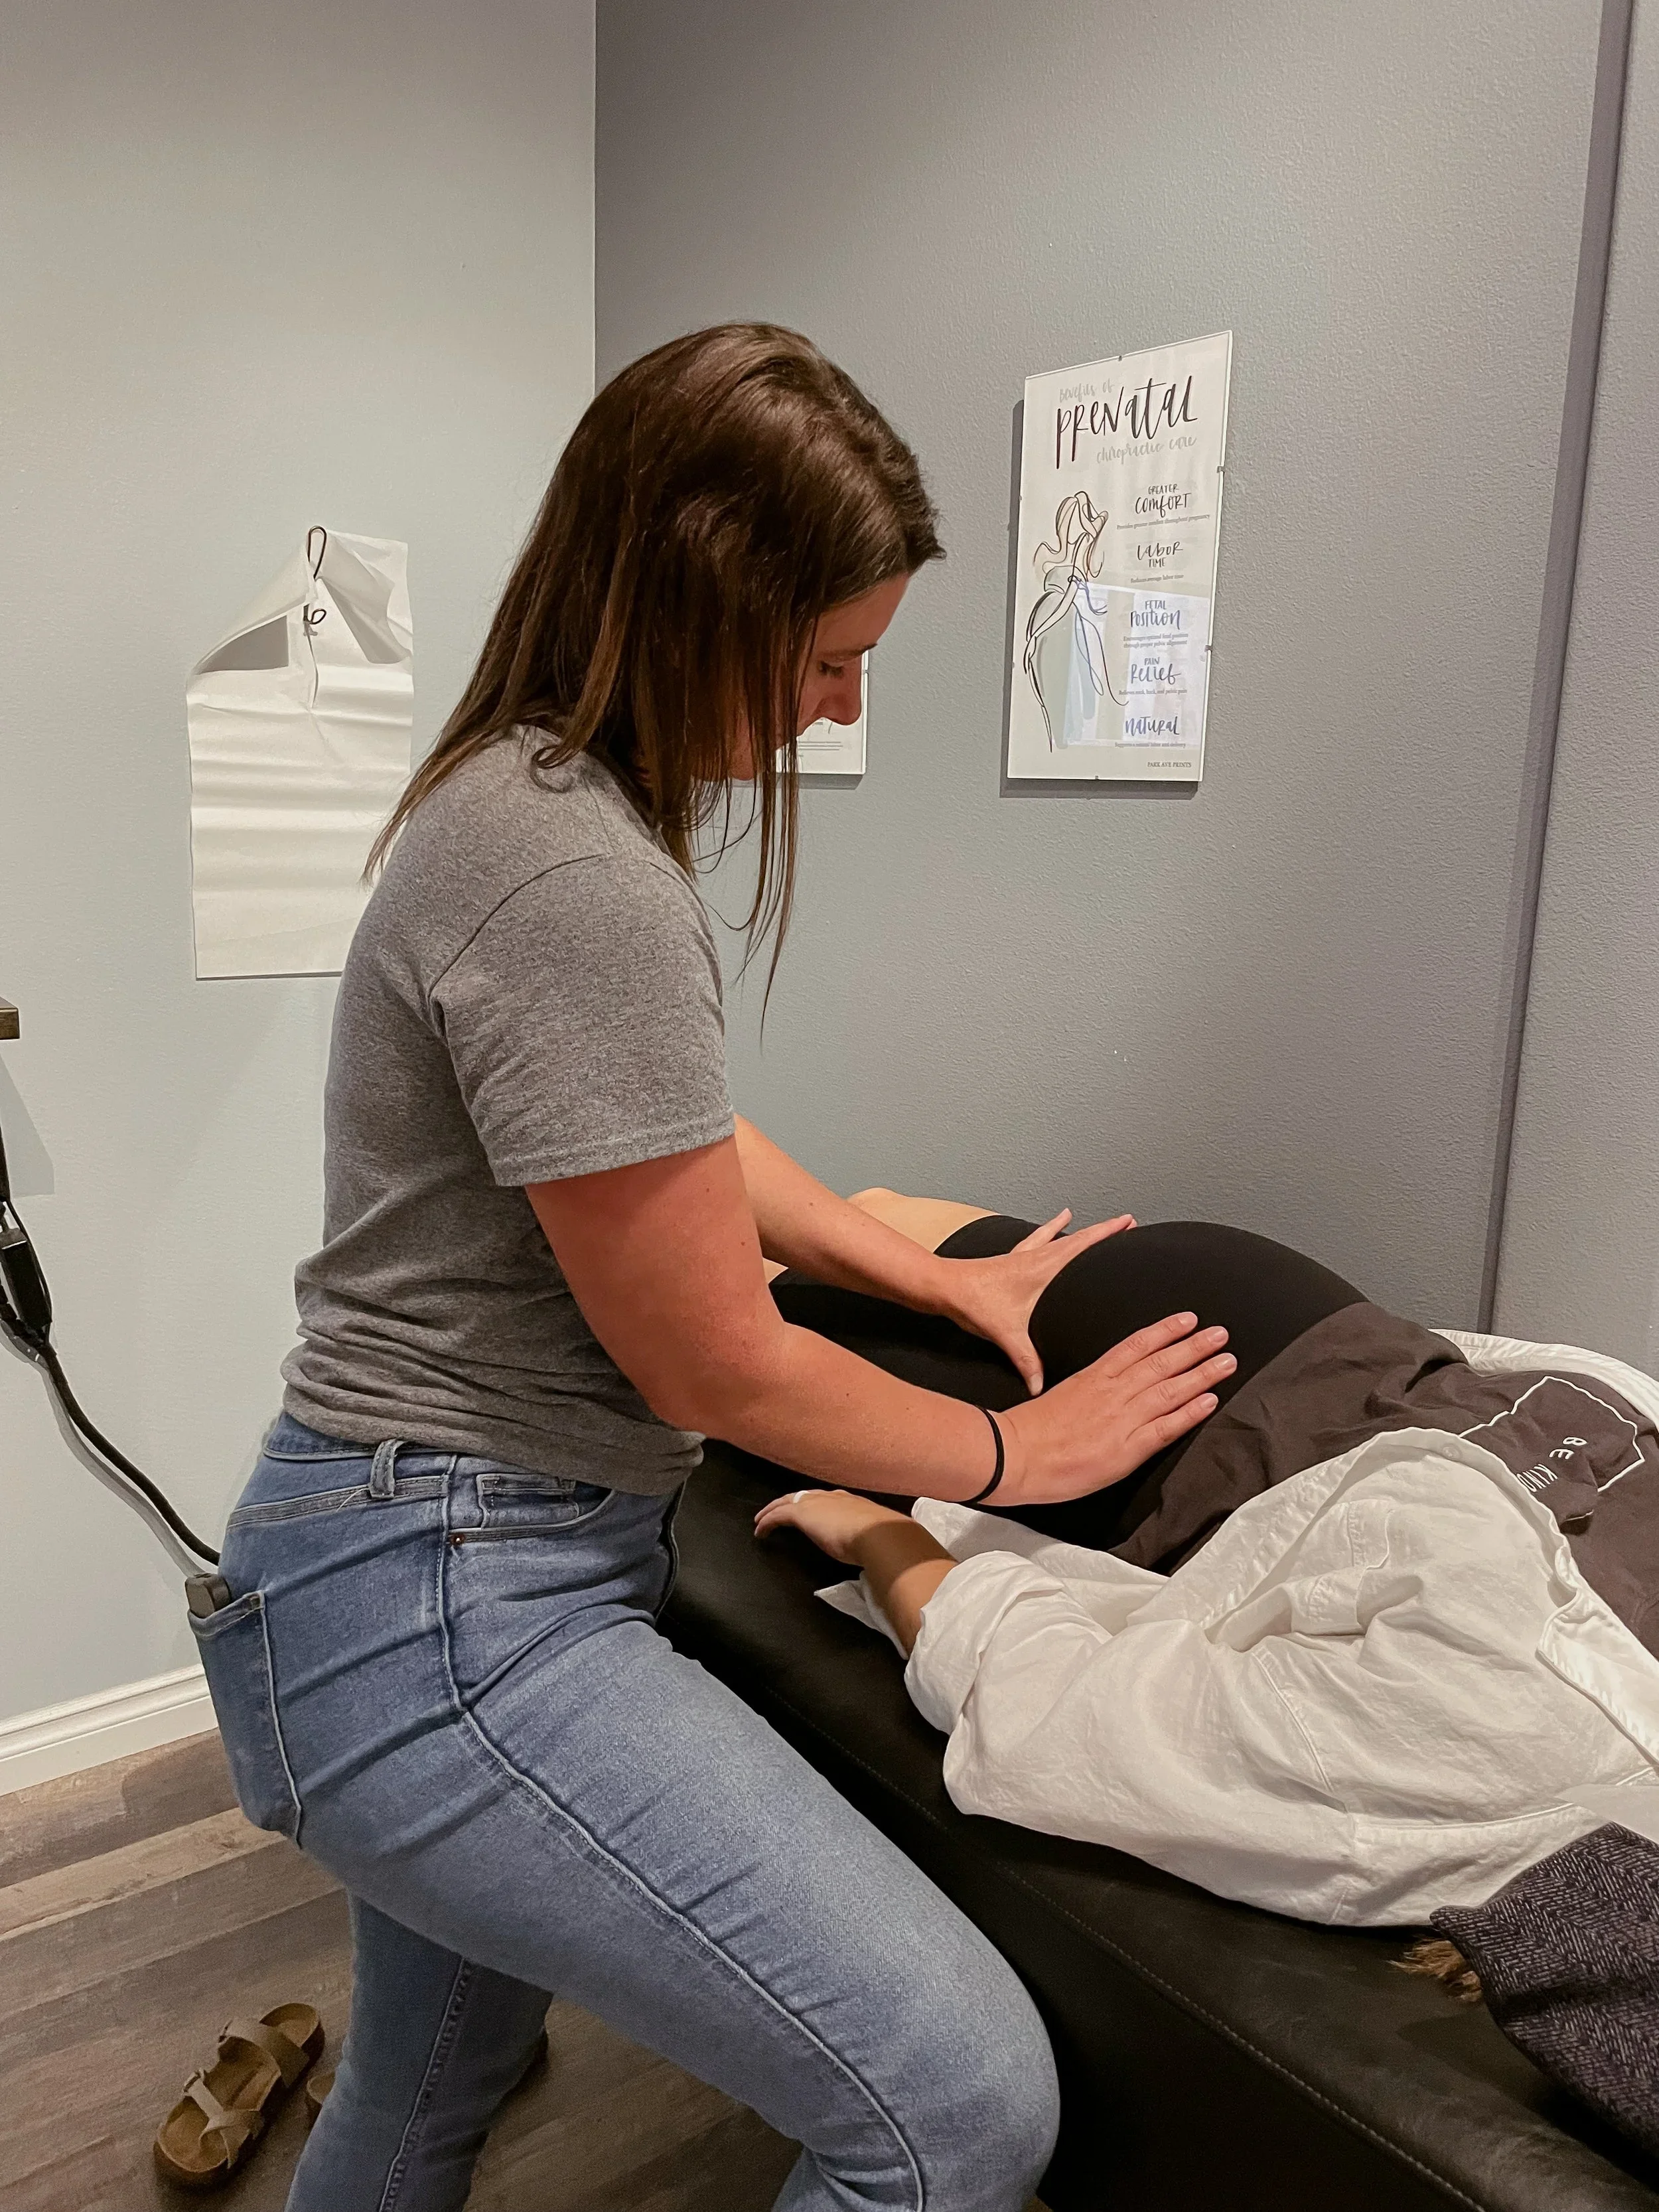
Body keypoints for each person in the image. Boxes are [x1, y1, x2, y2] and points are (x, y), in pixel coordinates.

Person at [192, 325, 1239, 2212]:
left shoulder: (510, 799)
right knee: (957, 2112)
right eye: (829, 660)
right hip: (448, 1602)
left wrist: (927, 1275)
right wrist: (1017, 1452)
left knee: (435, 2087)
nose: (838, 712)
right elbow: (715, 1365)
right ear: (691, 593)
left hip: (378, 1566)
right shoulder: (573, 869)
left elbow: (662, 1143)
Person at [755, 1193, 1659, 1926]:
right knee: (727, 1284)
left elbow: (1066, 1709)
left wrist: (884, 1530)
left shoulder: (1533, 1762)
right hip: (1168, 1401)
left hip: (1269, 1320)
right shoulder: (1526, 1741)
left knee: (811, 1242)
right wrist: (891, 1535)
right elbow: (1065, 1718)